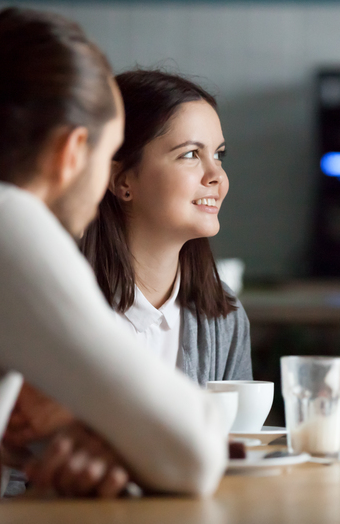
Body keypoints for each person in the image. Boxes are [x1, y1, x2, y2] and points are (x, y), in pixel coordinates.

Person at [0, 8, 226, 524]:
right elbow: (195, 451)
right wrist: (104, 423)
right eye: (108, 154)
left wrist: (76, 422)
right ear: (72, 152)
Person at [81, 69, 252, 385]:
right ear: (121, 179)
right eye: (190, 154)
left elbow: (233, 435)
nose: (216, 176)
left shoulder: (223, 317)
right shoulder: (62, 303)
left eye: (219, 155)